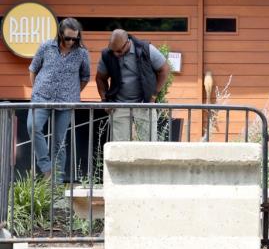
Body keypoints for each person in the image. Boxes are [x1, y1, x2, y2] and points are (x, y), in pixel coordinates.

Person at [28, 18, 91, 181]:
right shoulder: (46, 46)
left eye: (75, 38)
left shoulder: (82, 53)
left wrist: (72, 93)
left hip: (66, 102)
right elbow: (33, 69)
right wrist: (36, 90)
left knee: (59, 143)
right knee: (32, 126)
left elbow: (85, 77)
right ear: (60, 34)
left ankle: (56, 185)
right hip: (41, 97)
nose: (71, 42)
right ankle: (46, 167)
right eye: (68, 38)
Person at [95, 29, 170, 141]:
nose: (116, 54)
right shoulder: (107, 54)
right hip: (119, 105)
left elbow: (164, 69)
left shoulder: (146, 49)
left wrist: (153, 95)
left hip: (145, 104)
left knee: (148, 145)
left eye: (119, 51)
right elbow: (100, 78)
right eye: (113, 51)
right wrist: (104, 100)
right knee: (119, 146)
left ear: (128, 42)